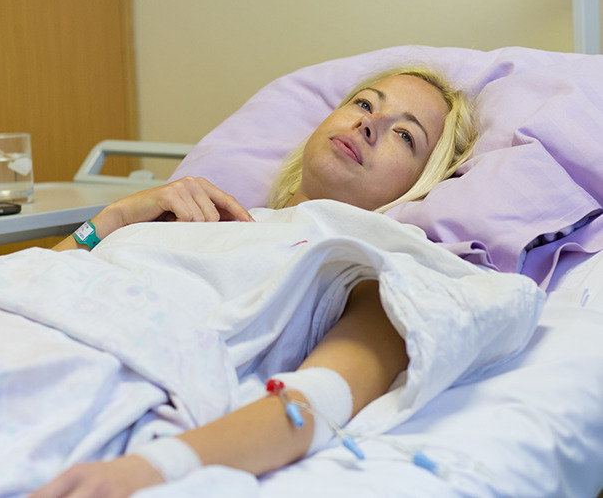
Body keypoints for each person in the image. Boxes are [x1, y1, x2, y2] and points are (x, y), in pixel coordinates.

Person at [34, 66, 478, 497]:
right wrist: (114, 217)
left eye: (406, 135)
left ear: (423, 183)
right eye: (364, 103)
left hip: (69, 393)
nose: (369, 122)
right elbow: (27, 284)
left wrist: (149, 470)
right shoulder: (200, 215)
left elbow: (315, 403)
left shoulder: (372, 256)